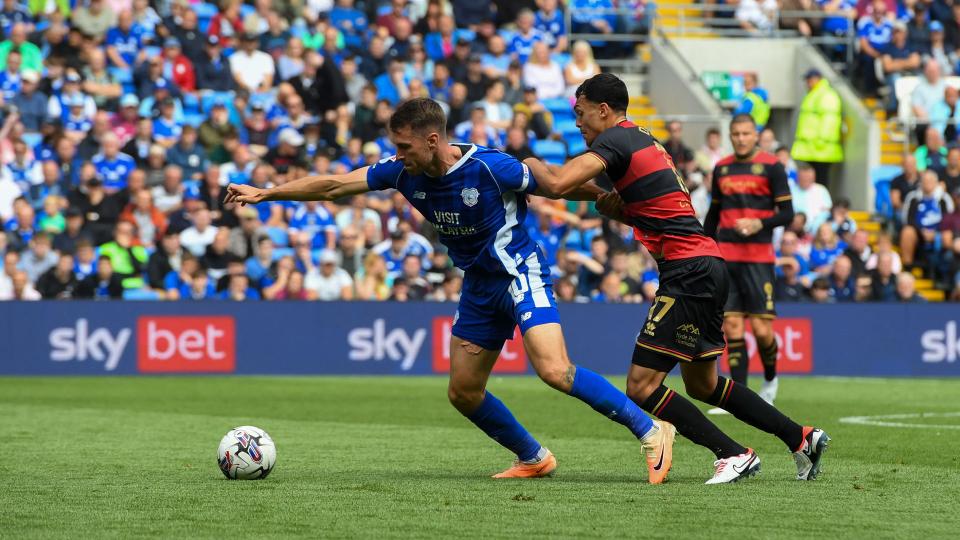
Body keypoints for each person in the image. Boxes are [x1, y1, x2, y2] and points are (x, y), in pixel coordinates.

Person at [226, 97, 676, 484]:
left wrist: (612, 201)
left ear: (432, 141)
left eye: (404, 146)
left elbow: (556, 187)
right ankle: (534, 458)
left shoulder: (489, 166)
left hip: (520, 273)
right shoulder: (401, 173)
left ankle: (651, 431)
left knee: (555, 371)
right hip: (479, 286)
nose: (397, 154)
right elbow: (333, 186)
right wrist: (267, 193)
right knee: (463, 392)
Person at [523, 73, 829, 484]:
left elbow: (558, 183)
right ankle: (801, 437)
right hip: (706, 264)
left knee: (641, 385)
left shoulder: (613, 139)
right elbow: (636, 203)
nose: (577, 124)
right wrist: (614, 206)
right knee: (704, 385)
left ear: (603, 110)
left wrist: (527, 164)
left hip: (688, 271)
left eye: (580, 114)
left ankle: (733, 453)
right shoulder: (643, 141)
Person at [703, 114, 794, 412]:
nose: (741, 138)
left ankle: (770, 379)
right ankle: (738, 399)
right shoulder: (722, 167)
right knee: (731, 326)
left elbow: (788, 213)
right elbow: (714, 214)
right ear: (730, 136)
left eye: (746, 133)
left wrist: (759, 223)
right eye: (736, 134)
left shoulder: (772, 166)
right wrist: (702, 246)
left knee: (762, 330)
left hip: (759, 259)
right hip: (727, 258)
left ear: (755, 135)